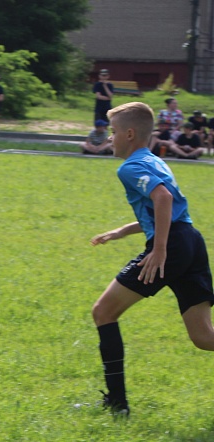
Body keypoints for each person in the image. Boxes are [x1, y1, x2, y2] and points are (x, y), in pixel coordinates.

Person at [90, 101, 214, 417]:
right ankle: (117, 404)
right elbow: (166, 209)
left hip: (171, 246)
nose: (110, 139)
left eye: (114, 133)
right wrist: (121, 231)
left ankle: (117, 405)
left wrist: (158, 250)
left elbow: (163, 199)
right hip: (191, 241)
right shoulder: (155, 161)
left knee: (104, 312)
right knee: (204, 337)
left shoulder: (129, 167)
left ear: (129, 134)